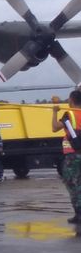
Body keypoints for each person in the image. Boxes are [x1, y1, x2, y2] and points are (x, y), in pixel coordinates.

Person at [51, 90, 81, 224]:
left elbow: (55, 127)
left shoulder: (70, 114)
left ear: (71, 100)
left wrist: (55, 111)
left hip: (73, 155)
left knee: (72, 184)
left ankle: (79, 213)